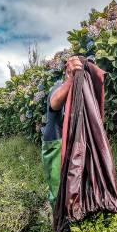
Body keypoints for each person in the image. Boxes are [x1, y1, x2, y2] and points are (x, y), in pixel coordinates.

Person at [41, 56, 83, 208]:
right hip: (54, 142)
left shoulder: (82, 90)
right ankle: (57, 216)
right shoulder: (58, 87)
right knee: (57, 184)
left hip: (69, 141)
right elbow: (55, 102)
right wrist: (71, 79)